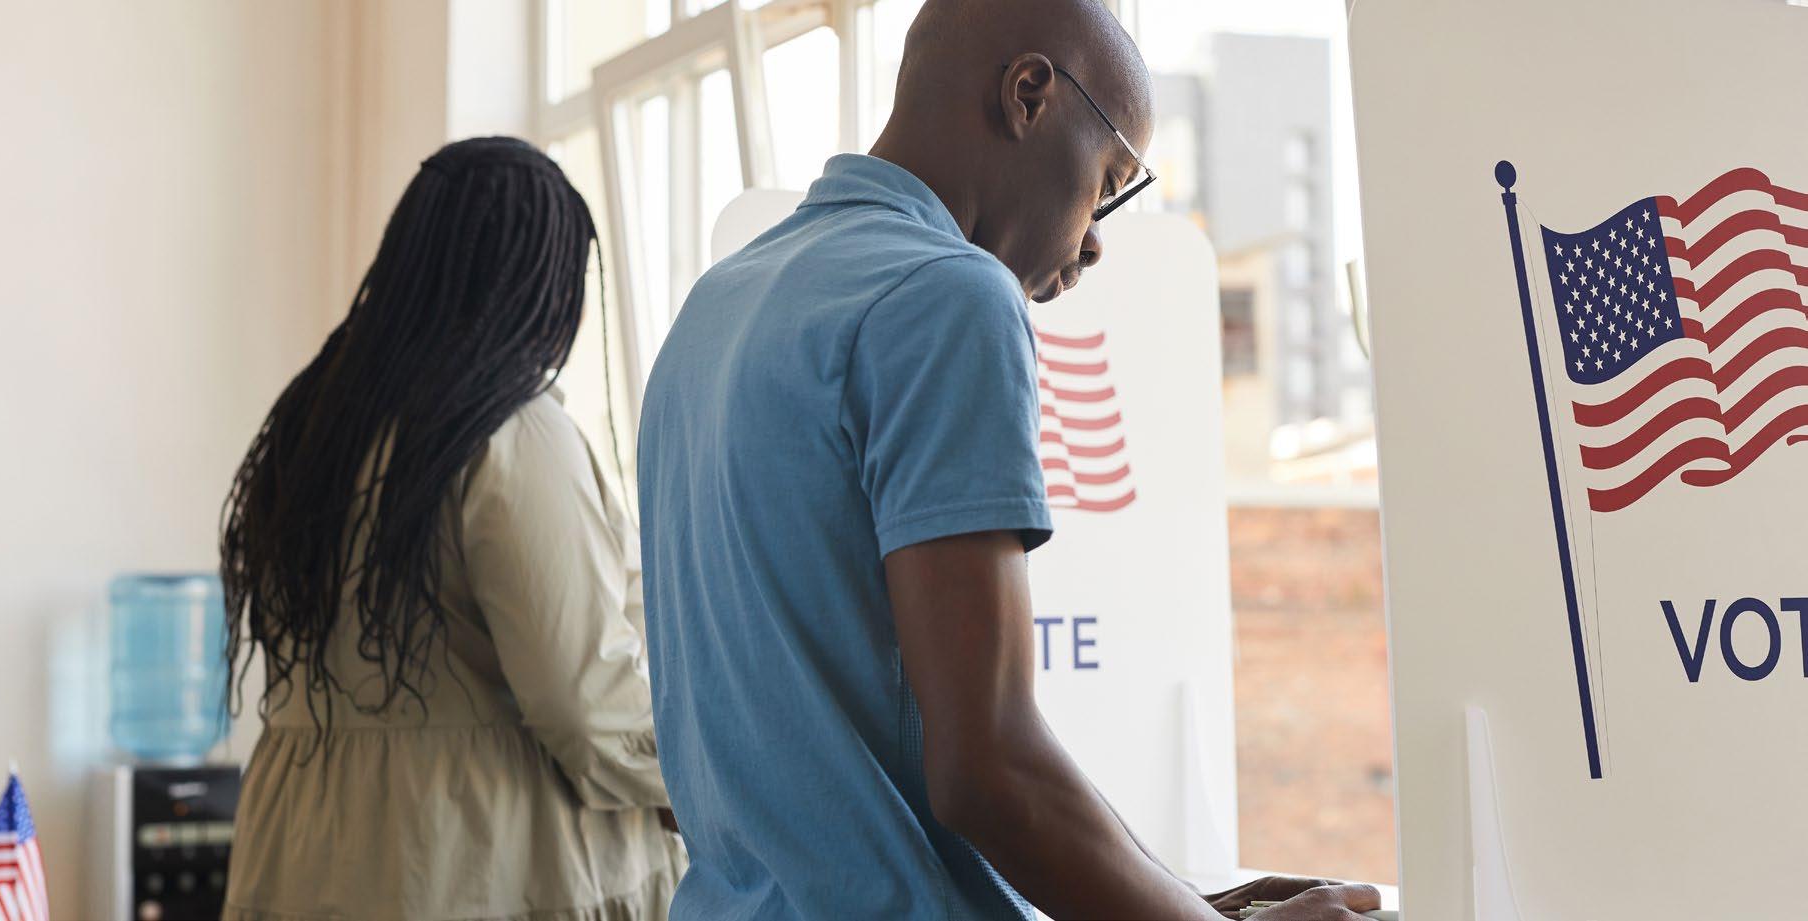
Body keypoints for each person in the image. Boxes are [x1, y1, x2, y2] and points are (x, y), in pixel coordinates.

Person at [637, 1, 1381, 919]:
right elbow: (987, 769)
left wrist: (1189, 899)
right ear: (1028, 94)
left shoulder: (713, 309)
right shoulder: (946, 294)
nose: (1097, 239)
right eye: (1108, 182)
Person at [219, 137, 683, 921]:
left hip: (307, 857)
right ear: (532, 287)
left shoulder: (312, 429)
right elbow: (583, 699)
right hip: (480, 861)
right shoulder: (509, 433)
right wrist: (700, 785)